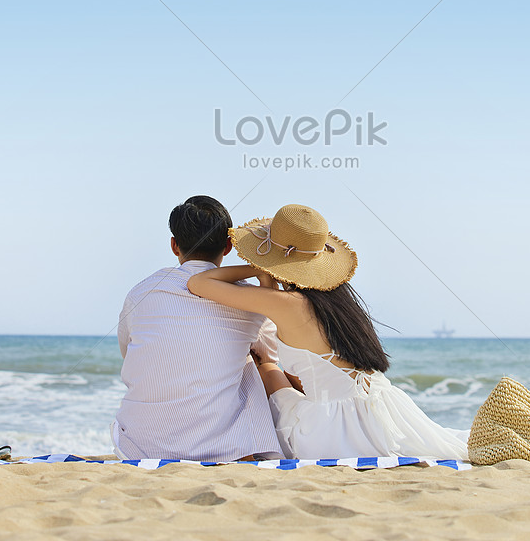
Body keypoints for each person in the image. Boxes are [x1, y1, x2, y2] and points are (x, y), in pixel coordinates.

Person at [187, 203, 468, 460]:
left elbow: (199, 282)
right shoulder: (340, 301)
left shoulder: (288, 303)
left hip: (334, 427)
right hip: (387, 411)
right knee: (282, 372)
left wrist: (257, 269)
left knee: (265, 365)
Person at [111, 195, 283, 461]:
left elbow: (128, 350)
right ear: (228, 246)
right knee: (251, 360)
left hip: (137, 445)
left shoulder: (141, 291)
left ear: (174, 245)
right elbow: (272, 357)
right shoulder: (249, 300)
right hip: (222, 449)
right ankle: (249, 447)